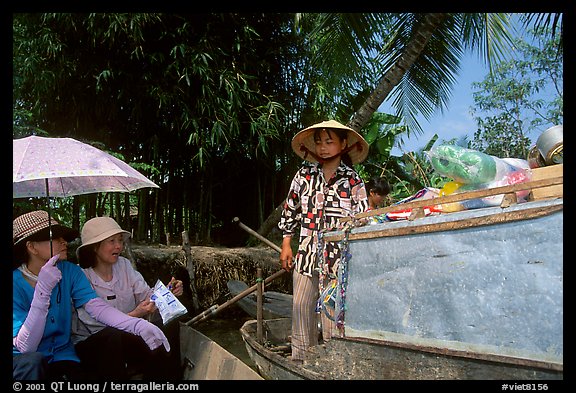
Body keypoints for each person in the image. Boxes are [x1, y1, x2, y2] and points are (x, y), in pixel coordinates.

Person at [13, 210, 169, 380]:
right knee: (34, 363)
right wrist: (42, 292)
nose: (64, 242)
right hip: (27, 361)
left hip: (63, 355)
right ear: (32, 247)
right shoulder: (14, 283)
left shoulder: (70, 271)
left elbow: (97, 307)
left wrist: (136, 325)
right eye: (55, 238)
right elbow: (26, 346)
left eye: (63, 237)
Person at [278, 119, 370, 363]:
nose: (323, 147)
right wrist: (287, 244)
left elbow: (363, 218)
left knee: (332, 316)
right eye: (319, 142)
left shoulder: (353, 180)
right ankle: (300, 363)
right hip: (306, 257)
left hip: (338, 261)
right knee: (301, 310)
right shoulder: (303, 176)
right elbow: (290, 210)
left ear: (343, 144)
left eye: (329, 141)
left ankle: (332, 366)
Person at [72, 216, 184, 379]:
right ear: (95, 247)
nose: (119, 246)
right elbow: (94, 325)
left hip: (125, 338)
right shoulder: (79, 276)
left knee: (169, 323)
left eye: (120, 240)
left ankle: (165, 379)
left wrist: (167, 292)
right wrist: (136, 315)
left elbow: (146, 296)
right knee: (113, 336)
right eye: (111, 241)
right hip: (93, 345)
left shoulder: (123, 265)